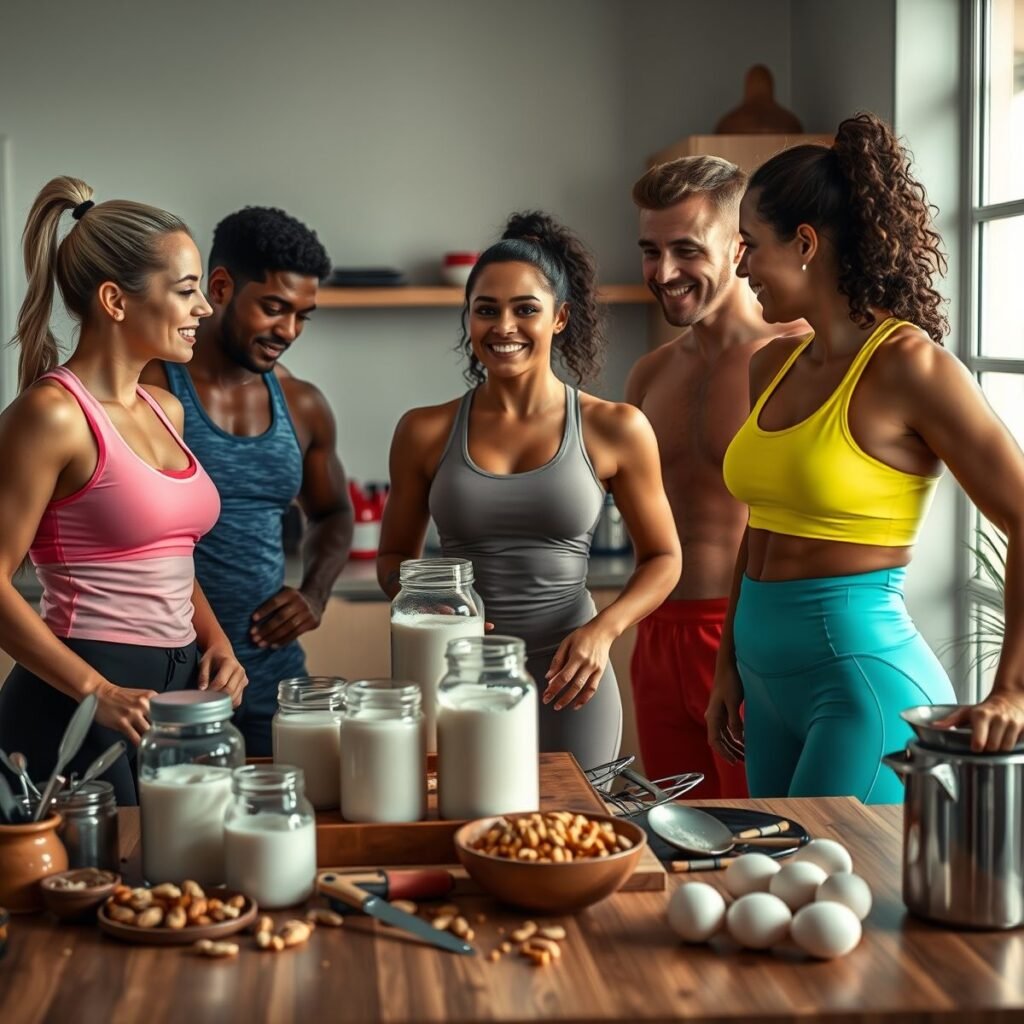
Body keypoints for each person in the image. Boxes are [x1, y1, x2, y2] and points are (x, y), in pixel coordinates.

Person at [708, 112, 1024, 805]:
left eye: (749, 246)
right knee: (769, 873)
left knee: (824, 875)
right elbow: (761, 524)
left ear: (805, 244)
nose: (741, 267)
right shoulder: (771, 365)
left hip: (860, 689)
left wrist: (1012, 691)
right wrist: (728, 662)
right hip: (762, 685)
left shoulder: (910, 366)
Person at [378, 211, 681, 771]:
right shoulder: (423, 431)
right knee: (463, 820)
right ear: (468, 317)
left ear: (560, 317)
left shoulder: (615, 427)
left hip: (571, 678)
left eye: (525, 309)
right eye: (486, 309)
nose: (504, 327)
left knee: (571, 824)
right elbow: (393, 557)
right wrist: (433, 607)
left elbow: (664, 558)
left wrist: (602, 631)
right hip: (457, 677)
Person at [0, 176, 247, 805]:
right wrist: (97, 692)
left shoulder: (165, 407)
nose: (204, 308)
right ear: (114, 300)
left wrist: (215, 641)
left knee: (180, 863)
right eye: (186, 290)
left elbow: (165, 557)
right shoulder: (53, 415)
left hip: (175, 693)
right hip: (78, 699)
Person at [142, 207, 353, 756]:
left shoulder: (303, 404)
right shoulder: (149, 390)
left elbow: (334, 513)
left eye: (303, 316)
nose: (289, 331)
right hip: (169, 683)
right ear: (220, 287)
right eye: (274, 308)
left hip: (274, 681)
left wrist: (314, 593)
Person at [626, 156, 806, 795]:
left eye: (686, 249)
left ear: (739, 248)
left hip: (748, 636)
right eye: (651, 251)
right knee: (676, 834)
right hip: (655, 636)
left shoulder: (797, 356)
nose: (664, 272)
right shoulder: (649, 375)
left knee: (761, 834)